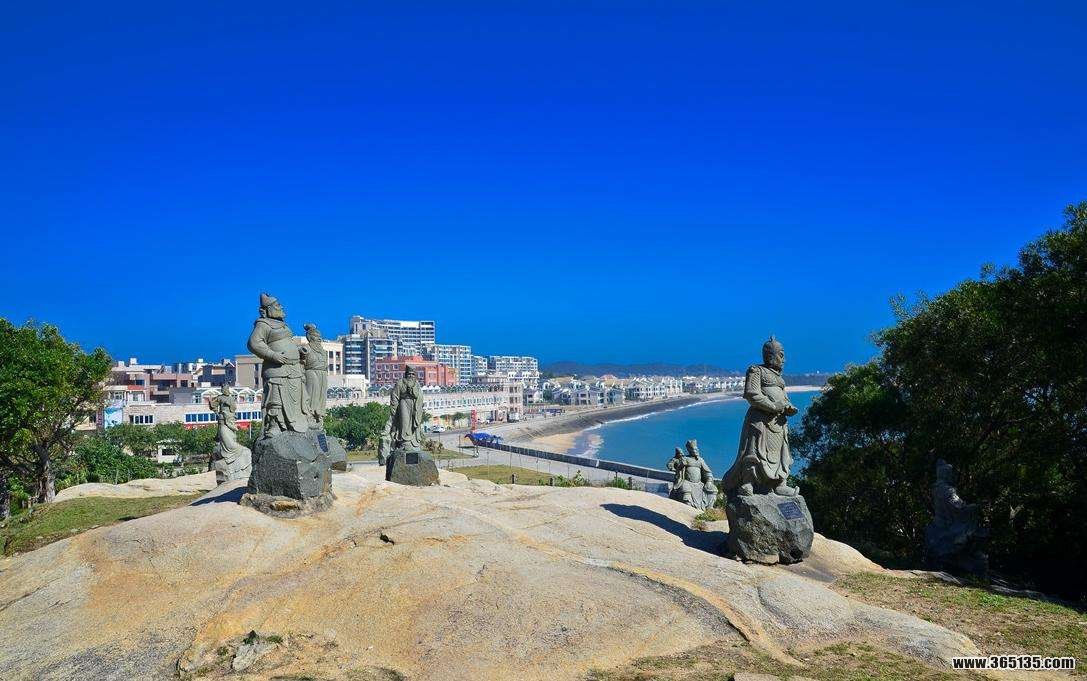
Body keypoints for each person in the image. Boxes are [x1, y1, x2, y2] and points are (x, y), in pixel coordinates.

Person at [722, 336, 799, 496]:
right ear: (770, 355)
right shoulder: (756, 371)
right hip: (760, 420)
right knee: (754, 451)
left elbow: (783, 398)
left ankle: (779, 483)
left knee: (781, 453)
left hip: (778, 422)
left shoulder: (779, 378)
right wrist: (773, 406)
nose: (784, 359)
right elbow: (752, 394)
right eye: (781, 355)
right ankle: (748, 482)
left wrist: (788, 407)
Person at [247, 293, 309, 437]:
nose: (281, 307)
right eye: (277, 305)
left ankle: (297, 423)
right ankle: (274, 425)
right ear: (267, 310)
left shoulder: (283, 325)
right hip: (277, 370)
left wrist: (298, 351)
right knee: (276, 399)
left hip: (294, 369)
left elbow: (286, 343)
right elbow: (253, 343)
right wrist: (273, 355)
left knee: (297, 399)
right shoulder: (263, 324)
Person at [389, 365, 425, 449]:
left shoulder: (416, 384)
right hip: (403, 403)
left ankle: (413, 442)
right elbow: (394, 395)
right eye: (409, 374)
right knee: (404, 422)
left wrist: (415, 394)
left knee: (413, 423)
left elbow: (420, 395)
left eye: (413, 374)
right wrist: (394, 407)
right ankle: (404, 442)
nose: (411, 376)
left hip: (414, 405)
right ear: (406, 374)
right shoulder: (400, 382)